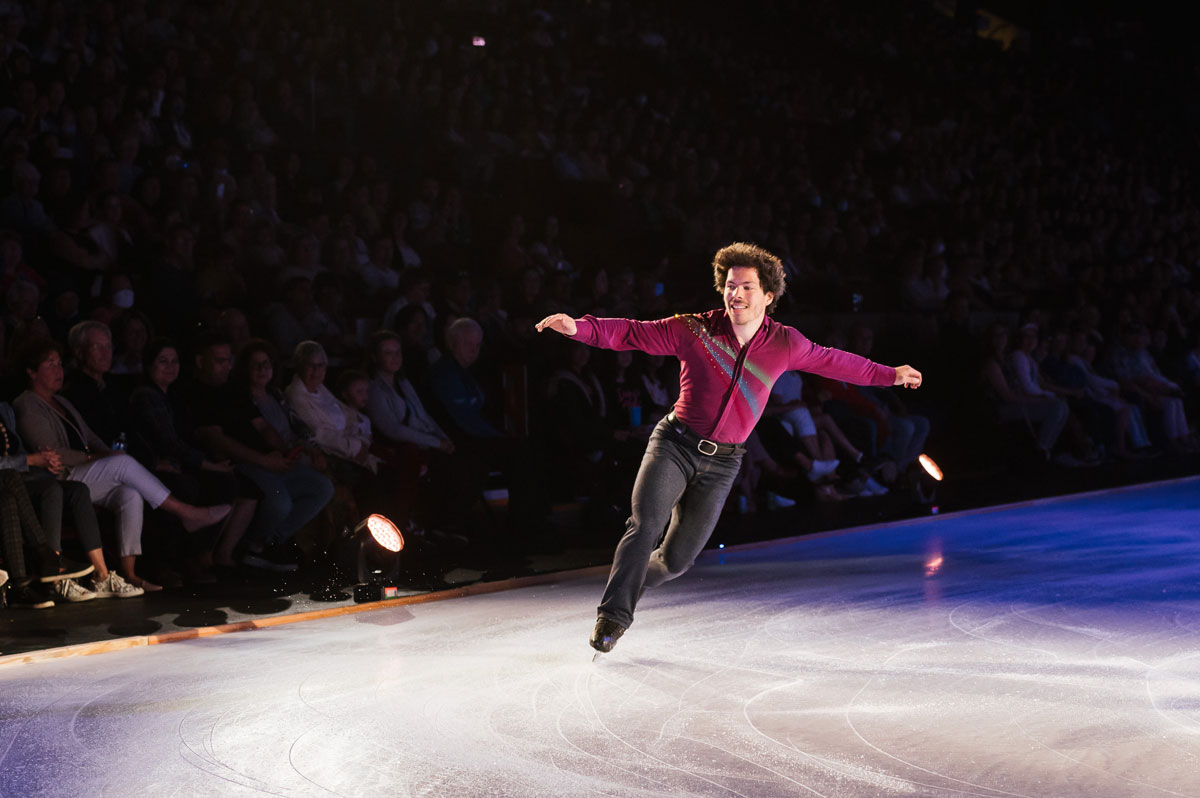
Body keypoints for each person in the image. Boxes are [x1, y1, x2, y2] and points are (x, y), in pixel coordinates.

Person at [536, 242, 921, 653]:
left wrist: (890, 374)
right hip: (675, 445)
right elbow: (633, 332)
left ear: (768, 296)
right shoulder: (694, 329)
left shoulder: (785, 343)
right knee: (645, 524)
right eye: (730, 285)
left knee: (676, 560)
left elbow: (835, 361)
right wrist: (580, 327)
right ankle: (613, 617)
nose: (735, 294)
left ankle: (628, 580)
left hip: (723, 464)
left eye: (747, 287)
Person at [13, 339, 232, 591]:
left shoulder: (63, 402)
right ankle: (187, 513)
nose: (58, 370)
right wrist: (98, 459)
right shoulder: (27, 404)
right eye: (50, 364)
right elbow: (52, 452)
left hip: (83, 473)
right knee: (122, 463)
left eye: (60, 364)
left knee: (129, 494)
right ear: (31, 371)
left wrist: (106, 453)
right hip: (61, 477)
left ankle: (129, 573)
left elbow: (90, 436)